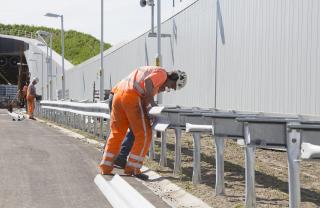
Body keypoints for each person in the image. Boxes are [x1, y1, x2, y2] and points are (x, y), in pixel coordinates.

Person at [99, 66, 187, 180]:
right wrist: (152, 103)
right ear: (174, 78)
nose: (168, 88)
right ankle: (133, 169)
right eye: (171, 86)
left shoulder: (151, 72)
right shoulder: (162, 74)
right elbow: (148, 82)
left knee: (117, 133)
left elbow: (145, 87)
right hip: (130, 97)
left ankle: (105, 166)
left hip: (117, 96)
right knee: (144, 135)